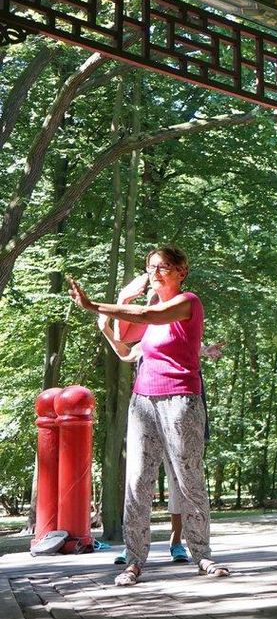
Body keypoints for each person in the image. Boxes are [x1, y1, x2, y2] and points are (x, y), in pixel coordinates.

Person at [69, 245, 228, 586]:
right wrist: (123, 302)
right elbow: (126, 340)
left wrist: (92, 304)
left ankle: (202, 555)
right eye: (152, 267)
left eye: (165, 267)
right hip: (142, 402)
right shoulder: (152, 307)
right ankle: (134, 560)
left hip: (181, 400)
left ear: (181, 272)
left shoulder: (188, 303)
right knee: (137, 481)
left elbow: (144, 316)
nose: (156, 273)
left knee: (188, 480)